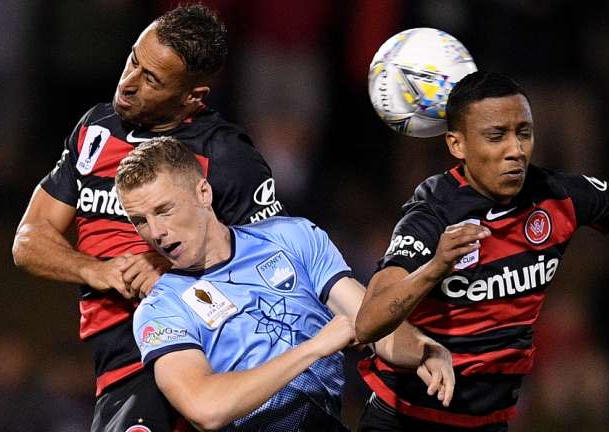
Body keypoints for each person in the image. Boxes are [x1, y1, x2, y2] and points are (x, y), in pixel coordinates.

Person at [354, 71, 609, 431]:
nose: (515, 150)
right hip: (405, 419)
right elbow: (368, 322)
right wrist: (436, 266)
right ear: (457, 145)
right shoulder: (433, 212)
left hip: (488, 422)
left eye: (524, 133)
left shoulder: (557, 195)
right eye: (496, 135)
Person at [11, 5, 285, 431]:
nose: (128, 82)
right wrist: (94, 269)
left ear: (192, 96)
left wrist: (176, 265)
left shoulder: (226, 156)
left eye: (152, 79)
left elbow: (280, 267)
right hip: (116, 365)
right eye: (133, 60)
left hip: (189, 352)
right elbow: (29, 240)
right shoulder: (96, 130)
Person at [114, 136, 456, 431]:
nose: (155, 232)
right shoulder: (161, 309)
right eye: (140, 220)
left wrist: (423, 349)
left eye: (164, 210)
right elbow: (205, 408)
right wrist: (313, 348)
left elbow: (370, 321)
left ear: (203, 192)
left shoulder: (290, 238)